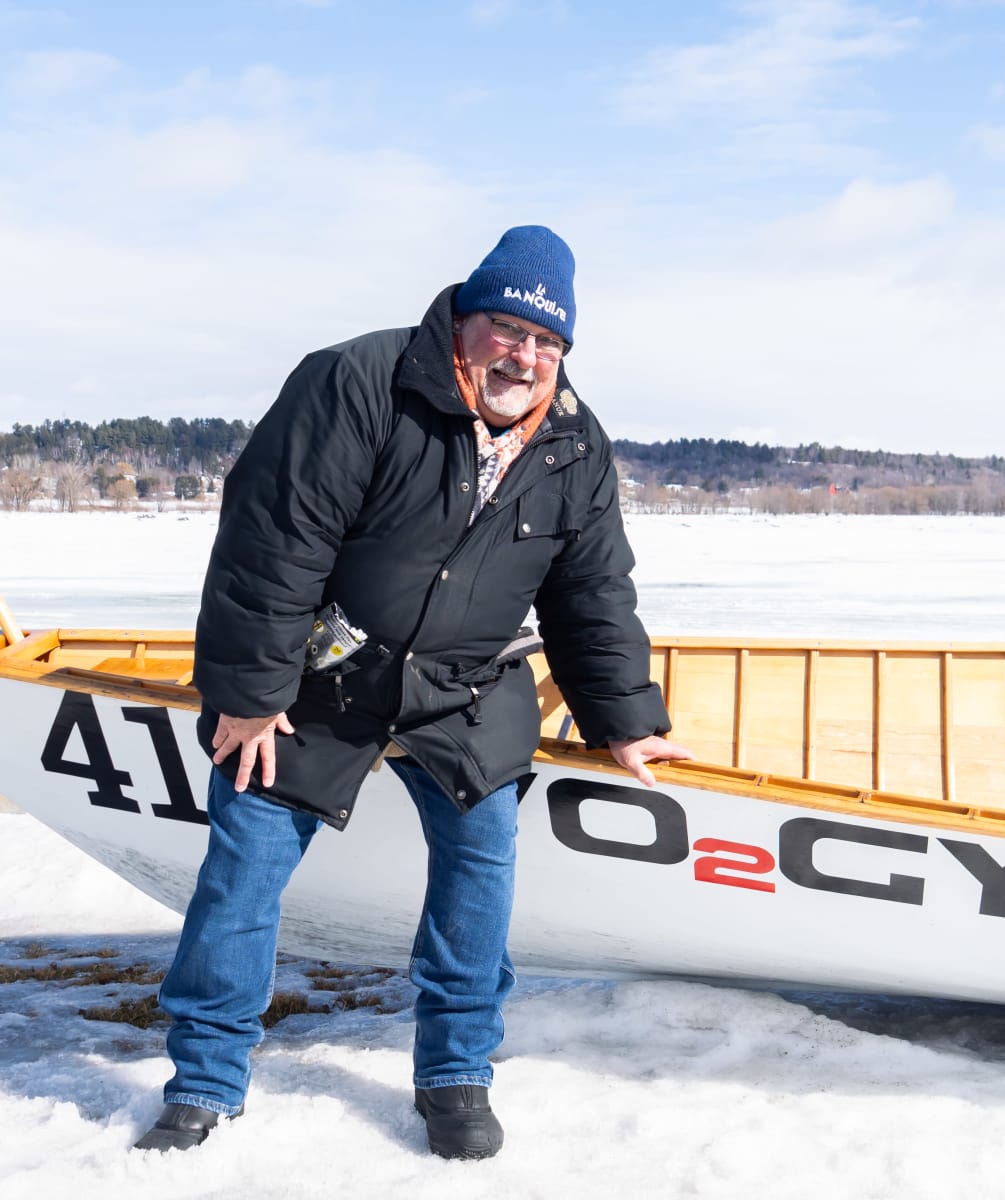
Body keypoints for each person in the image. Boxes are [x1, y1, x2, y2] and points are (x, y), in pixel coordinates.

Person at [133, 225, 692, 1160]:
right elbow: (273, 543)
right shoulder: (358, 381)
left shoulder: (573, 441)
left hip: (467, 686)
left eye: (547, 342)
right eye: (509, 329)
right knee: (243, 871)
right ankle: (203, 1080)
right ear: (465, 318)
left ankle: (456, 1074)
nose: (524, 357)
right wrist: (253, 693)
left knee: (479, 875)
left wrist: (626, 717)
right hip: (321, 677)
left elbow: (592, 589)